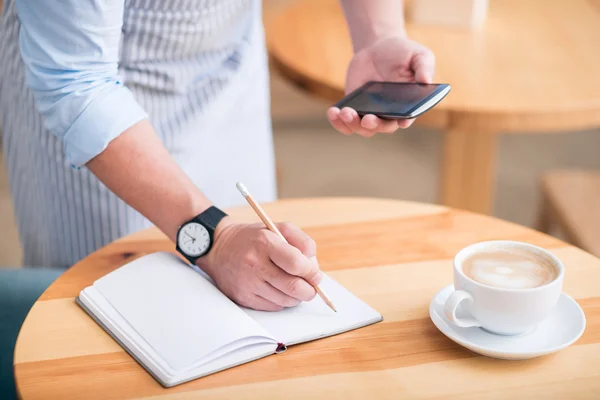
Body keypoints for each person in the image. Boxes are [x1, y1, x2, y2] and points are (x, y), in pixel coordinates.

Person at [0, 0, 434, 396]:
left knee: (259, 331)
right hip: (101, 121)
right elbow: (77, 82)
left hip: (226, 71)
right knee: (118, 349)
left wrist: (379, 35)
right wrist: (215, 238)